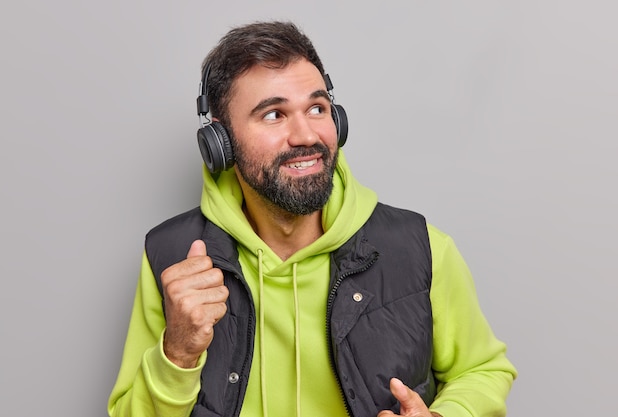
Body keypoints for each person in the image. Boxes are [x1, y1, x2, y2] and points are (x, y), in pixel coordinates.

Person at [108, 20, 517, 417]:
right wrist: (177, 352)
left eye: (317, 108)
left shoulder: (421, 247)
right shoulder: (171, 256)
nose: (306, 135)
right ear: (221, 141)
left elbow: (484, 370)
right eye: (274, 114)